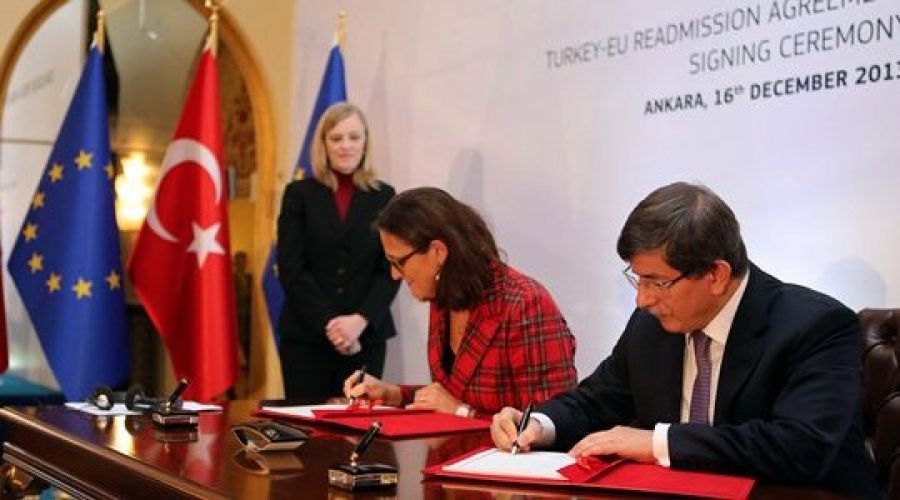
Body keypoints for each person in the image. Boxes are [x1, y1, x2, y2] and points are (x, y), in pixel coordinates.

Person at [490, 182, 878, 496]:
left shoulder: (816, 326)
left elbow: (799, 447)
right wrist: (538, 424)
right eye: (637, 279)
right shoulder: (651, 325)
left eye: (657, 282)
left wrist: (657, 443)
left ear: (716, 275)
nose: (642, 300)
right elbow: (596, 400)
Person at [344, 187, 577, 418]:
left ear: (438, 252)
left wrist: (463, 412)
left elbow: (551, 423)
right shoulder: (443, 296)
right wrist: (392, 394)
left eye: (399, 262)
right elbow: (452, 395)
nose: (394, 274)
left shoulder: (526, 305)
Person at [277, 102, 399, 399]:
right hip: (306, 337)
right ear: (323, 144)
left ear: (365, 142)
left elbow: (391, 269)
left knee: (357, 421)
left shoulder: (385, 196)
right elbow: (291, 267)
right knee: (306, 423)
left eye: (354, 137)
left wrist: (359, 320)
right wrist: (330, 325)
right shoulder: (298, 194)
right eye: (336, 138)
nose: (346, 146)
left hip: (366, 337)